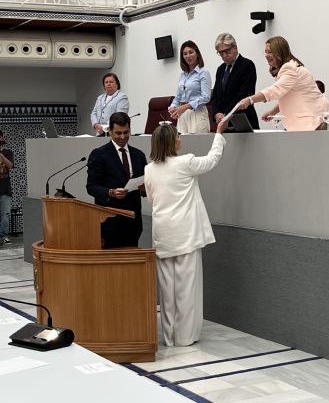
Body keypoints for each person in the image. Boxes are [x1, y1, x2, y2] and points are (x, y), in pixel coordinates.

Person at [144, 118, 229, 347]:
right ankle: (185, 337)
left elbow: (152, 199)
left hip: (163, 234)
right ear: (172, 141)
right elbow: (212, 159)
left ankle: (170, 337)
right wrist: (219, 134)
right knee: (186, 288)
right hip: (185, 234)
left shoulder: (149, 169)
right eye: (178, 135)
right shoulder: (185, 163)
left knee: (167, 291)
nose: (181, 138)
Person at [237, 36, 329, 131]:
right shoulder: (289, 67)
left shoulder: (290, 69)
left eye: (270, 52)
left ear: (279, 52)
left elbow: (274, 90)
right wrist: (273, 112)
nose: (266, 55)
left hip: (315, 119)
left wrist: (250, 100)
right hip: (314, 119)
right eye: (265, 52)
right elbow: (287, 94)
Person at [86, 112, 147, 247]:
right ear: (110, 131)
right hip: (109, 221)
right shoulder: (99, 154)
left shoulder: (139, 155)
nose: (122, 137)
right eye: (118, 133)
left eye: (126, 133)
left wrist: (145, 189)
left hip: (133, 221)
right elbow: (91, 186)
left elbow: (148, 184)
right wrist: (111, 192)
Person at [211, 33, 260, 129]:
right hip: (224, 123)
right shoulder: (220, 69)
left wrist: (227, 114)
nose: (224, 55)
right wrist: (217, 113)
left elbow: (245, 94)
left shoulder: (247, 65)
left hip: (243, 119)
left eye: (226, 51)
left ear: (235, 47)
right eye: (220, 53)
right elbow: (215, 95)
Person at [168, 40, 212, 134]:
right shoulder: (182, 75)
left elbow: (206, 97)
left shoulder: (203, 72)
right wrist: (173, 107)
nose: (188, 56)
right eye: (185, 54)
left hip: (197, 113)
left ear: (197, 53)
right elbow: (179, 96)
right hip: (183, 115)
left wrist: (185, 107)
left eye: (191, 52)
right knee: (182, 147)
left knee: (198, 147)